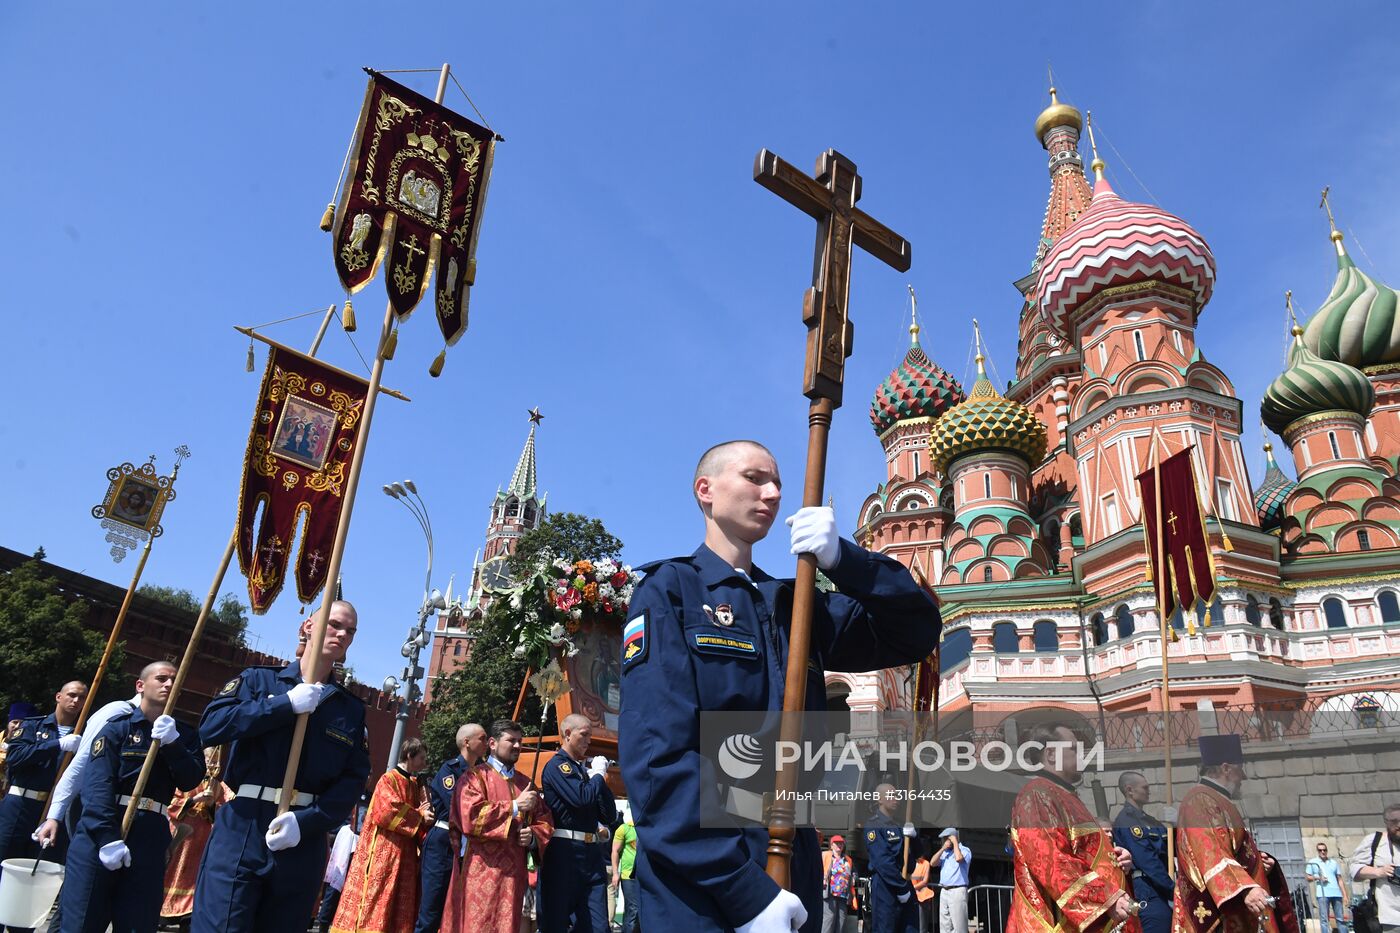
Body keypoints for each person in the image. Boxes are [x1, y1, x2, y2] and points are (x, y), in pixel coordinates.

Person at [619, 440, 941, 933]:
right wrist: (745, 892)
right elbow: (657, 759)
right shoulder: (671, 592)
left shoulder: (796, 604)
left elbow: (916, 630)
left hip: (795, 855)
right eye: (754, 478)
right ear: (705, 490)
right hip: (704, 876)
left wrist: (844, 560)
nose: (771, 493)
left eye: (778, 485)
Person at [190, 601, 370, 933]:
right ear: (308, 626)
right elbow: (212, 726)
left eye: (350, 631)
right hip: (244, 825)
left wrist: (310, 822)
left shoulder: (349, 710)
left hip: (302, 836)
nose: (343, 634)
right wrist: (282, 706)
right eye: (334, 624)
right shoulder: (259, 682)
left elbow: (354, 779)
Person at [57, 661, 203, 933]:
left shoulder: (185, 736)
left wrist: (174, 745)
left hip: (149, 835)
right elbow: (97, 787)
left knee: (138, 924)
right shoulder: (117, 729)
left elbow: (191, 779)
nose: (169, 685)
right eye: (161, 678)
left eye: (174, 681)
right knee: (81, 923)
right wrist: (106, 837)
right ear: (140, 686)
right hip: (102, 832)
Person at [1008, 722, 1140, 933]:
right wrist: (1105, 897)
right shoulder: (1036, 794)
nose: (1082, 755)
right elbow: (1051, 860)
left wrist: (1116, 858)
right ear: (1051, 754)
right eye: (1074, 749)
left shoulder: (1067, 796)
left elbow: (1083, 850)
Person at [1172, 734, 1300, 933]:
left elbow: (1231, 850)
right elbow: (1210, 852)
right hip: (1215, 913)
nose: (1244, 776)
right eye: (1240, 768)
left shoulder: (1215, 799)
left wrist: (1258, 862)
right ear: (1225, 768)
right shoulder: (1198, 800)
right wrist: (1246, 888)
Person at [442, 718, 555, 933]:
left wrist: (532, 837)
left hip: (513, 876)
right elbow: (470, 818)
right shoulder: (474, 777)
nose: (517, 746)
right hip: (480, 871)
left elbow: (545, 821)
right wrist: (514, 806)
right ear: (492, 743)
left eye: (520, 741)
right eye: (511, 740)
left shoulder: (526, 783)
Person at [332, 737, 433, 932]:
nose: (424, 763)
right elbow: (386, 811)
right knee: (378, 894)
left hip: (405, 854)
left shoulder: (414, 784)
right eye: (421, 758)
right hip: (383, 851)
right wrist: (420, 815)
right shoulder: (389, 779)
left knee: (399, 898)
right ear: (410, 756)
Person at [539, 713, 618, 932]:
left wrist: (600, 779)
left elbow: (609, 816)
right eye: (584, 735)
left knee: (598, 926)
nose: (588, 741)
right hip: (565, 853)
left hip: (591, 854)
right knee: (557, 921)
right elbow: (581, 799)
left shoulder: (583, 772)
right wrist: (598, 776)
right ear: (567, 734)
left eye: (590, 736)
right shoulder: (557, 766)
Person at [0, 681, 85, 869]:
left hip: (54, 811)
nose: (76, 701)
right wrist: (58, 745)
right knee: (5, 860)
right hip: (19, 806)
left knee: (38, 869)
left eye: (82, 698)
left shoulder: (85, 736)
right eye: (72, 695)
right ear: (58, 697)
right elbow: (16, 757)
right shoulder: (32, 725)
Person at [416, 722, 488, 933]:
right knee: (431, 910)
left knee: (457, 911)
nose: (486, 743)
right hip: (443, 842)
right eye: (482, 738)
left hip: (468, 846)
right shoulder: (451, 769)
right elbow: (458, 805)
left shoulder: (483, 772)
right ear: (467, 742)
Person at [161, 746, 232, 924]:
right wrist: (194, 800)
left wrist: (210, 805)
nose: (212, 764)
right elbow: (171, 801)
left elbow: (225, 808)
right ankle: (163, 911)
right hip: (180, 834)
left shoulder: (218, 786)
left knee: (193, 876)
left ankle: (187, 912)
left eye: (215, 761)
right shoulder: (188, 778)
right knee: (171, 870)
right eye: (209, 760)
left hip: (201, 837)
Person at [1112, 772, 1173, 933]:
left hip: (1160, 890)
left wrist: (1175, 823)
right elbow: (1148, 862)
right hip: (1147, 893)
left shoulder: (1149, 821)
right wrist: (1173, 891)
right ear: (1130, 790)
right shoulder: (1126, 821)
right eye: (1144, 788)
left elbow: (1172, 847)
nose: (1149, 791)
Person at [864, 784, 919, 933]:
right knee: (885, 929)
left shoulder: (901, 825)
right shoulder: (873, 825)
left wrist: (914, 837)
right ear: (879, 799)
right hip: (885, 886)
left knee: (911, 928)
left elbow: (915, 859)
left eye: (897, 795)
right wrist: (901, 887)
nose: (896, 799)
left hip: (905, 883)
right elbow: (882, 861)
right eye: (891, 795)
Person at [1348, 804, 1400, 933]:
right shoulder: (1375, 841)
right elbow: (1354, 870)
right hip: (1390, 918)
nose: (1399, 825)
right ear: (1386, 823)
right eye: (1394, 821)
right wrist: (1379, 872)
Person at [1308, 842, 1351, 933]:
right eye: (1320, 850)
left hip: (1336, 893)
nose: (1323, 852)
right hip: (1323, 894)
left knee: (1340, 918)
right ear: (1317, 851)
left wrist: (1345, 895)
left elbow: (1339, 879)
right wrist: (1318, 878)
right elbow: (1308, 877)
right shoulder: (1313, 862)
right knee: (1324, 919)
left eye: (1324, 850)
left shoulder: (1333, 862)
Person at [933, 828, 970, 933]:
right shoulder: (945, 853)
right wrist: (942, 849)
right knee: (944, 927)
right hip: (944, 890)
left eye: (945, 839)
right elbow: (932, 862)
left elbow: (958, 858)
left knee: (959, 927)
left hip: (957, 891)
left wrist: (955, 842)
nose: (943, 841)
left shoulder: (965, 850)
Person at [612, 812, 641, 933]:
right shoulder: (625, 828)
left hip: (644, 875)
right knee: (633, 909)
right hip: (628, 875)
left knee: (638, 910)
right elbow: (615, 851)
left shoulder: (648, 828)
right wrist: (615, 873)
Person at [822, 834, 854, 933]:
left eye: (841, 843)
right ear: (831, 845)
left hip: (843, 894)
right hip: (829, 892)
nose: (839, 845)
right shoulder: (825, 855)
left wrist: (853, 877)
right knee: (829, 919)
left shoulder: (848, 859)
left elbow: (853, 873)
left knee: (841, 920)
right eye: (836, 843)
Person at [909, 841, 935, 933]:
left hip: (922, 899)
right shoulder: (909, 862)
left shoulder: (925, 864)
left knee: (921, 928)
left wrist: (912, 888)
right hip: (910, 897)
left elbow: (924, 882)